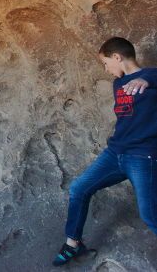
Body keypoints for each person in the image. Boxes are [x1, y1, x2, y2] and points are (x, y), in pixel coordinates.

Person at [52, 37, 157, 266]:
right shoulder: (118, 84)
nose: (106, 69)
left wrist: (147, 79)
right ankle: (73, 244)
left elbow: (153, 76)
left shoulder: (151, 76)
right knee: (79, 188)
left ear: (117, 57)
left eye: (106, 62)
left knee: (150, 214)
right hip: (115, 153)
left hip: (142, 155)